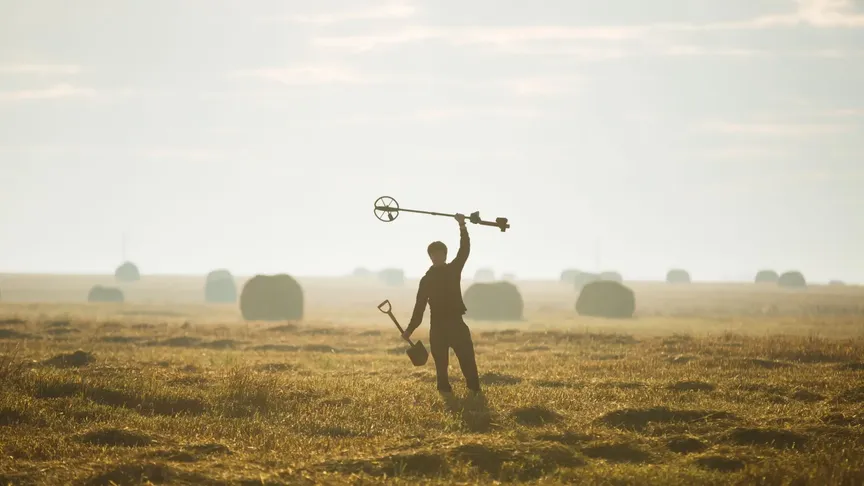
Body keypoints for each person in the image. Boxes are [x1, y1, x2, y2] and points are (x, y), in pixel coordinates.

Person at [402, 213, 481, 394]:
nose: (436, 257)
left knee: (467, 358)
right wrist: (410, 330)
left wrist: (462, 226)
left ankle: (474, 390)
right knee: (441, 364)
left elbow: (464, 250)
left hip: (456, 323)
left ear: (445, 255)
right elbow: (419, 307)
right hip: (437, 327)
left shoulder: (454, 269)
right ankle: (445, 393)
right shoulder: (426, 280)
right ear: (430, 257)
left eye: (440, 254)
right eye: (433, 255)